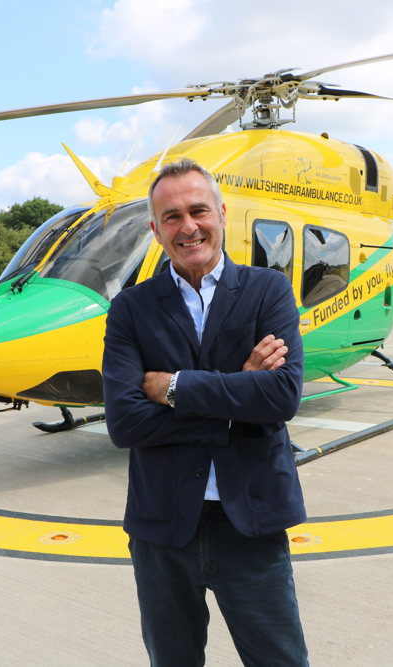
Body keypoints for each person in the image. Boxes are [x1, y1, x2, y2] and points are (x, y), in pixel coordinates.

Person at [102, 157, 308, 666]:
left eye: (198, 211)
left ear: (220, 212)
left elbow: (282, 396)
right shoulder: (130, 308)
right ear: (155, 230)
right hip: (162, 530)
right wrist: (241, 390)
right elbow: (124, 422)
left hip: (251, 523)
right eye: (171, 217)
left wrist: (171, 386)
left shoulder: (269, 290)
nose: (187, 226)